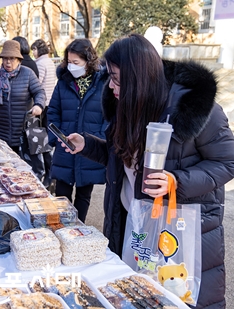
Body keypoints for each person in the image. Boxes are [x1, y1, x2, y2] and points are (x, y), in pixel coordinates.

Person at [61, 34, 234, 308]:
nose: (111, 85)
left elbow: (227, 162)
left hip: (178, 231)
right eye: (110, 76)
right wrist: (88, 145)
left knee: (177, 298)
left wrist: (176, 181)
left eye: (117, 78)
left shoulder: (194, 108)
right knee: (134, 296)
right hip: (134, 224)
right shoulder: (125, 104)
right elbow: (123, 159)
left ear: (138, 77)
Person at [47, 39, 107, 223]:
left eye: (76, 62)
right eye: (69, 62)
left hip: (89, 147)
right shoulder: (63, 82)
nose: (71, 66)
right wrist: (56, 137)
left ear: (88, 61)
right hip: (65, 146)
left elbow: (109, 118)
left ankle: (78, 228)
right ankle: (62, 227)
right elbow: (53, 111)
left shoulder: (103, 85)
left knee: (83, 195)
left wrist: (99, 140)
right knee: (62, 194)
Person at [31, 38, 57, 188]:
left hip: (41, 106)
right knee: (45, 139)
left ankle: (48, 175)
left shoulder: (40, 64)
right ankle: (50, 175)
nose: (33, 52)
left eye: (34, 49)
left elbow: (37, 84)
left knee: (41, 141)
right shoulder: (50, 62)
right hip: (49, 104)